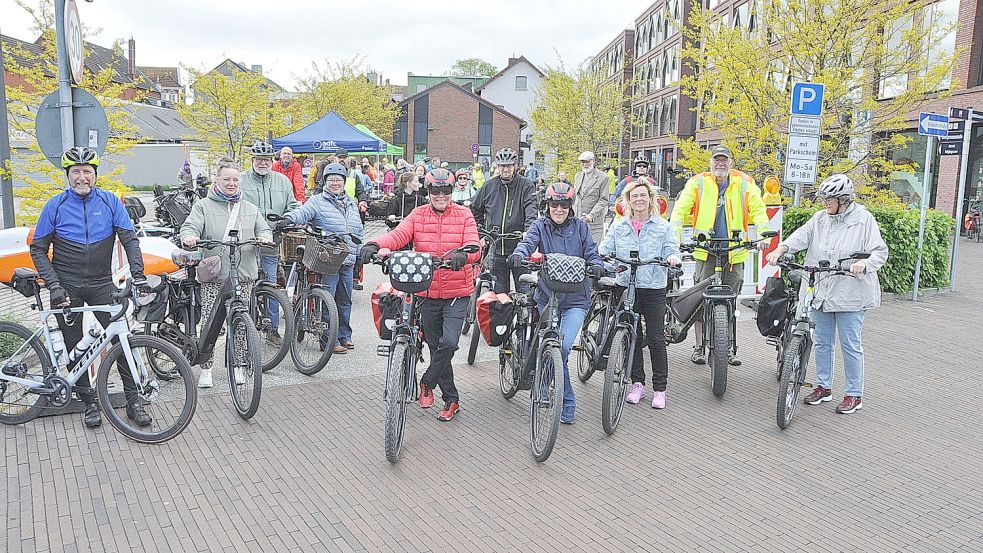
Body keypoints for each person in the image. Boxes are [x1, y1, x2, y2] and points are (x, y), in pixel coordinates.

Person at [27, 147, 150, 428]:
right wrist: (54, 285)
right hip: (66, 286)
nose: (81, 177)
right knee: (74, 345)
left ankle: (134, 402)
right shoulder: (55, 205)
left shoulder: (109, 202)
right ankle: (89, 402)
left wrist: (139, 276)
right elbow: (38, 249)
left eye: (87, 172)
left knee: (122, 341)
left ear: (95, 175)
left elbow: (130, 240)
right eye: (76, 172)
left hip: (101, 283)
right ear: (68, 176)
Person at [357, 168, 481, 422]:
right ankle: (452, 398)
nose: (441, 195)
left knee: (449, 343)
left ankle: (427, 381)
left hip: (457, 290)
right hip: (426, 290)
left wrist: (464, 255)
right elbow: (398, 235)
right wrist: (375, 245)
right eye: (435, 190)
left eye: (446, 190)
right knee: (436, 345)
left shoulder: (464, 214)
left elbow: (474, 245)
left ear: (452, 191)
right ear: (428, 191)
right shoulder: (418, 214)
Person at [766, 174, 888, 414]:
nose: (825, 203)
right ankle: (824, 386)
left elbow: (879, 252)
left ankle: (854, 393)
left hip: (850, 292)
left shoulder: (863, 220)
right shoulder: (820, 219)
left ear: (843, 200)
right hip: (820, 289)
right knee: (822, 342)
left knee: (850, 345)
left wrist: (865, 264)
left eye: (829, 199)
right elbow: (801, 236)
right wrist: (782, 248)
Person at [509, 182, 604, 425]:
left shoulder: (581, 227)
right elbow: (528, 242)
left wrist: (596, 265)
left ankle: (548, 386)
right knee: (550, 342)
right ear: (547, 204)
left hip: (576, 299)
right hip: (548, 297)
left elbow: (592, 252)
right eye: (554, 204)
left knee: (561, 347)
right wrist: (520, 254)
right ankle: (568, 400)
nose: (559, 209)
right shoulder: (540, 225)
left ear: (570, 206)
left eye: (564, 204)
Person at [669, 144, 770, 366]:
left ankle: (729, 348)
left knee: (730, 302)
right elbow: (679, 210)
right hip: (706, 251)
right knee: (700, 299)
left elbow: (759, 210)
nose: (720, 164)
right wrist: (674, 237)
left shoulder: (745, 183)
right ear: (711, 162)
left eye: (724, 160)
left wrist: (763, 236)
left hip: (734, 250)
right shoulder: (697, 183)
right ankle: (698, 348)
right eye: (717, 160)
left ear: (731, 163)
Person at [180, 157, 273, 388]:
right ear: (217, 180)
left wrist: (265, 237)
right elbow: (190, 226)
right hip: (216, 274)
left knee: (241, 321)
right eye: (226, 179)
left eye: (235, 179)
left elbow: (264, 228)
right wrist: (190, 237)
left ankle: (239, 365)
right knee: (210, 321)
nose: (231, 183)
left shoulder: (249, 208)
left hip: (243, 273)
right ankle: (206, 368)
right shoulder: (203, 205)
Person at [599, 180, 681, 409]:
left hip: (653, 286)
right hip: (625, 285)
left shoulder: (662, 226)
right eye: (635, 196)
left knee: (655, 338)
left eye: (643, 195)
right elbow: (606, 248)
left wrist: (673, 258)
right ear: (628, 200)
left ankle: (660, 389)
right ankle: (637, 383)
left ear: (650, 199)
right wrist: (603, 256)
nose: (639, 200)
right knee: (631, 335)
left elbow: (672, 249)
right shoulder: (619, 226)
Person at [278, 162, 364, 354]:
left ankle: (344, 335)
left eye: (339, 179)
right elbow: (303, 212)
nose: (335, 183)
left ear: (344, 182)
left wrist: (360, 252)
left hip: (347, 258)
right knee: (329, 299)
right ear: (325, 181)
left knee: (345, 299)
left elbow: (358, 229)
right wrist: (289, 218)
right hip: (327, 258)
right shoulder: (317, 201)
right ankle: (328, 340)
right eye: (331, 179)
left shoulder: (351, 202)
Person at [240, 140, 298, 341]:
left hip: (272, 241)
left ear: (271, 160)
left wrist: (287, 219)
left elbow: (292, 205)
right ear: (252, 160)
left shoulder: (282, 181)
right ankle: (245, 325)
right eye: (259, 159)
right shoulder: (240, 180)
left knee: (272, 285)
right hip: (246, 243)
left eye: (266, 159)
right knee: (246, 284)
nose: (262, 163)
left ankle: (272, 329)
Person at [470, 147, 539, 294]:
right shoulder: (489, 186)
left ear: (515, 166)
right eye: (502, 166)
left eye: (508, 165)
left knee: (525, 292)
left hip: (519, 249)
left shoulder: (525, 185)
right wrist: (481, 234)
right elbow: (475, 210)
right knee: (499, 296)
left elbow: (531, 210)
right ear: (497, 167)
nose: (505, 169)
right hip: (496, 249)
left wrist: (528, 231)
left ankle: (524, 317)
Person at [573, 151, 610, 243]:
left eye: (587, 161)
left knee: (592, 251)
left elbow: (603, 200)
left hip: (594, 224)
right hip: (578, 222)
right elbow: (575, 197)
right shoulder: (578, 176)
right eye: (583, 162)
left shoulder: (603, 177)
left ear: (593, 161)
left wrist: (592, 215)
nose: (585, 164)